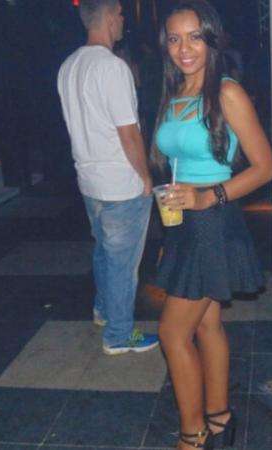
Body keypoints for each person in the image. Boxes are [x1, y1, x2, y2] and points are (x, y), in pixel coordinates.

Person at [150, 1, 272, 448]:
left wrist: (208, 196)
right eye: (174, 38)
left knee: (171, 332)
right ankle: (219, 418)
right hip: (183, 221)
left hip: (213, 220)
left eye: (194, 37)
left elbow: (265, 167)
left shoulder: (226, 92)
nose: (184, 48)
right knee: (206, 325)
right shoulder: (176, 92)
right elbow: (177, 162)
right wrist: (173, 225)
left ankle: (192, 436)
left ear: (211, 40)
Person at [57, 0, 159, 355]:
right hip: (120, 182)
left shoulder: (68, 65)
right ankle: (119, 334)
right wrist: (145, 176)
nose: (122, 19)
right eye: (119, 13)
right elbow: (128, 133)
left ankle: (103, 309)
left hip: (89, 179)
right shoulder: (113, 67)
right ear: (108, 17)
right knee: (123, 265)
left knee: (104, 251)